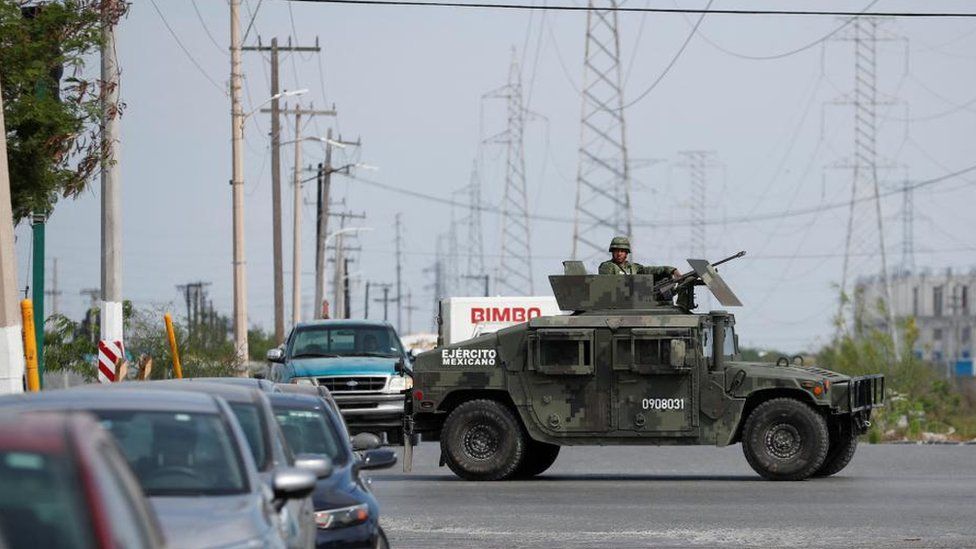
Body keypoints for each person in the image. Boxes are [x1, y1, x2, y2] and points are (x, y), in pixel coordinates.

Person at [598, 236, 680, 279]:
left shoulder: (633, 267)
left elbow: (650, 270)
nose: (619, 254)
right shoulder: (607, 266)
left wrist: (671, 270)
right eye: (616, 251)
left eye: (622, 251)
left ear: (626, 253)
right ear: (612, 252)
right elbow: (608, 284)